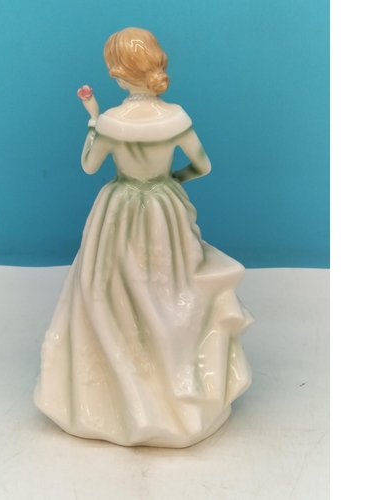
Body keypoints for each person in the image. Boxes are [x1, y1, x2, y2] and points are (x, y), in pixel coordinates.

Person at [34, 27, 253, 448]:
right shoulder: (176, 118)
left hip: (118, 210)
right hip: (163, 209)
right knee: (170, 288)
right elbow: (202, 167)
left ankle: (120, 394)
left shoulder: (111, 123)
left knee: (107, 289)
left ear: (118, 74)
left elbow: (89, 166)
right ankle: (177, 382)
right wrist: (171, 181)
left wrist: (93, 122)